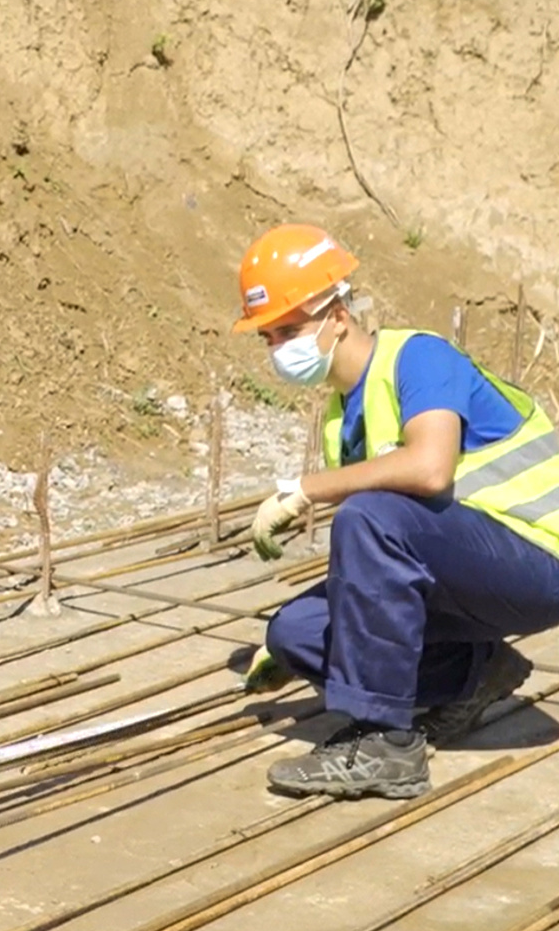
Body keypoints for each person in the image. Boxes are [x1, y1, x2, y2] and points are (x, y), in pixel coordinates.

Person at [236, 223, 554, 799]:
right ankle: (474, 675)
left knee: (369, 516)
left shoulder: (418, 358)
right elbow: (379, 567)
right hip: (469, 574)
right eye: (268, 336)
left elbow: (430, 468)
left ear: (337, 315)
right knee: (297, 632)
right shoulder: (341, 416)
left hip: (539, 558)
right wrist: (312, 651)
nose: (279, 348)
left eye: (290, 329)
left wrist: (308, 488)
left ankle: (386, 745)